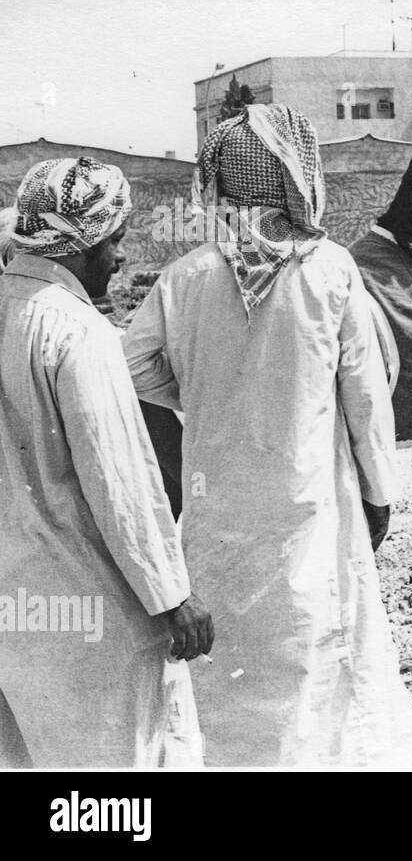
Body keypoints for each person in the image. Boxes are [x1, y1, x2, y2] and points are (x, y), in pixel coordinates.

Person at [122, 105, 412, 767]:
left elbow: (133, 367)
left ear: (221, 185)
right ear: (300, 172)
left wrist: (205, 399)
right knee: (319, 668)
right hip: (311, 514)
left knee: (230, 684)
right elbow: (366, 400)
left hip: (217, 525)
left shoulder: (185, 277)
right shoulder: (332, 271)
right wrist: (379, 494)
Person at [0, 157, 211, 767]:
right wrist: (173, 596)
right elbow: (119, 482)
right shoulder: (76, 331)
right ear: (83, 240)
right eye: (116, 239)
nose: (121, 258)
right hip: (93, 609)